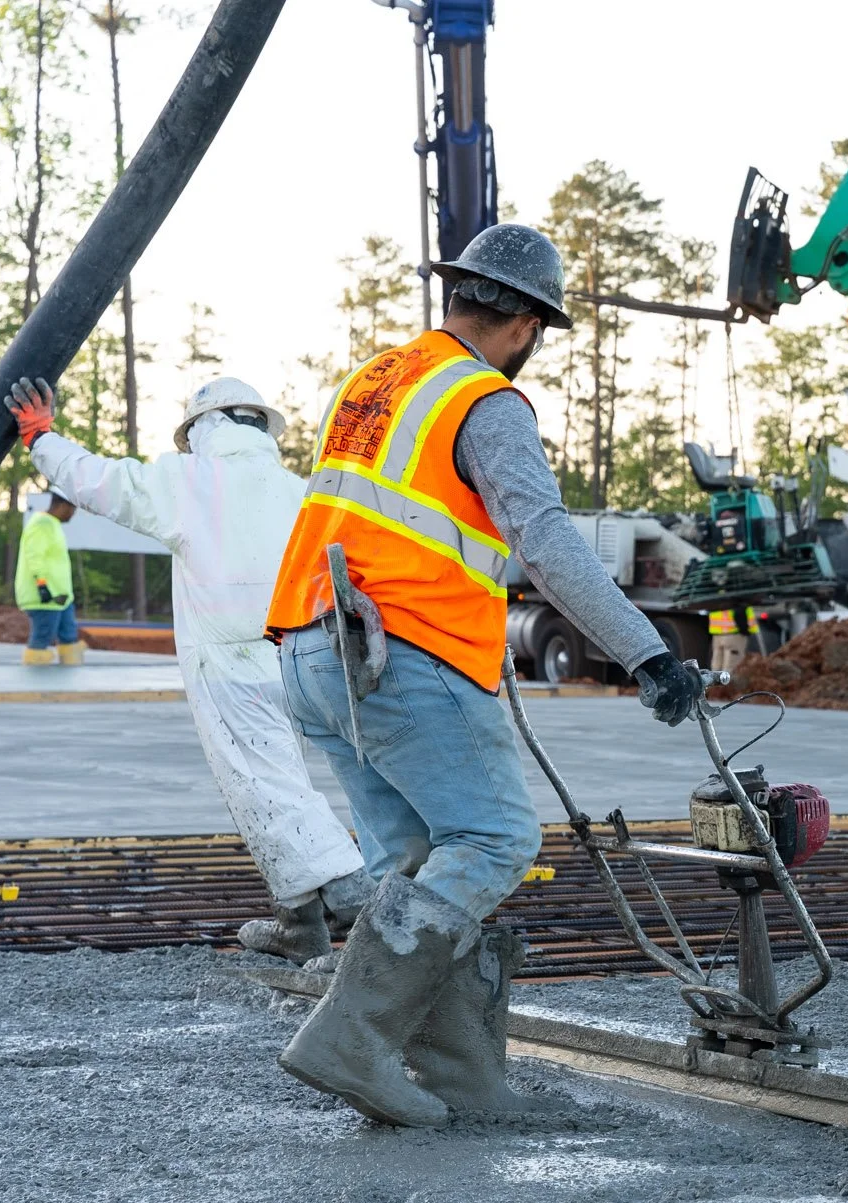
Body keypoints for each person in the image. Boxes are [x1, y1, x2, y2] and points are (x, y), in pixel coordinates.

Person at [263, 222, 701, 1129]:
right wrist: (647, 652)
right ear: (528, 324)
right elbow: (542, 541)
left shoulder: (375, 381)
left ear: (458, 295)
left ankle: (461, 1081)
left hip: (317, 644)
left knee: (417, 864)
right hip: (402, 650)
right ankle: (351, 1038)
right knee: (496, 839)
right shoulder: (485, 399)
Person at [3, 374, 374, 964]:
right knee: (274, 779)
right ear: (260, 427)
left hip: (229, 662)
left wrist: (41, 437)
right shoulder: (297, 489)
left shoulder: (189, 481)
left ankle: (353, 892)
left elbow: (99, 482)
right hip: (300, 652)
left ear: (204, 428)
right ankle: (298, 921)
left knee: (262, 781)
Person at [15, 493, 82, 665]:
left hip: (62, 597)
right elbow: (34, 556)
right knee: (42, 636)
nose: (73, 514)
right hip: (45, 596)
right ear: (62, 506)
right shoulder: (41, 524)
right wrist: (42, 585)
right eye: (72, 509)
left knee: (69, 636)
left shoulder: (53, 525)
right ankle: (34, 677)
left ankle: (71, 676)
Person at [708, 605, 757, 673]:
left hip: (718, 633)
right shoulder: (733, 598)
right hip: (734, 634)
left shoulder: (716, 597)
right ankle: (728, 682)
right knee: (732, 664)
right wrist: (745, 630)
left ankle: (715, 682)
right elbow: (739, 612)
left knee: (717, 662)